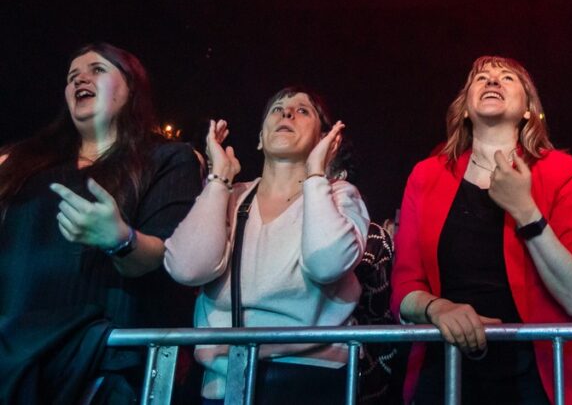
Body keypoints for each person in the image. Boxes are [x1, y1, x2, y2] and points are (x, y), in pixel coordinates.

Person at [391, 56, 572, 405]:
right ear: (464, 110)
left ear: (527, 111)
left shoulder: (562, 171)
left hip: (538, 376)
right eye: (481, 78)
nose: (492, 81)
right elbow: (404, 287)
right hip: (447, 371)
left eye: (507, 78)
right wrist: (438, 308)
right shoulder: (426, 176)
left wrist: (525, 210)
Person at [0, 43, 202, 400]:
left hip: (101, 360)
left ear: (131, 89)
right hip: (13, 356)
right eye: (72, 75)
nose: (80, 77)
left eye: (97, 69)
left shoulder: (168, 159)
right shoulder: (22, 163)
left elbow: (164, 254)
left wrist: (119, 239)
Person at [164, 87, 369, 404]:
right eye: (277, 109)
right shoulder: (231, 196)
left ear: (326, 140)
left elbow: (326, 263)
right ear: (260, 139)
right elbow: (187, 267)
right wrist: (219, 179)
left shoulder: (339, 195)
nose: (287, 113)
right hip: (225, 382)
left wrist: (316, 175)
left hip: (310, 380)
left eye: (303, 111)